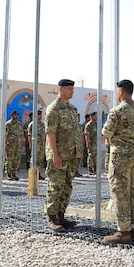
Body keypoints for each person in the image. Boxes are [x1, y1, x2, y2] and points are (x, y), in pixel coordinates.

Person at [101, 79, 134, 245]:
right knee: (133, 191)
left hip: (120, 157)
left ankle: (123, 231)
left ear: (120, 92)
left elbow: (106, 132)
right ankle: (133, 229)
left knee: (120, 192)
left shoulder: (116, 111)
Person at [44, 79, 81, 233]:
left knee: (67, 186)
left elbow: (75, 133)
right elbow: (50, 133)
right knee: (55, 186)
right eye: (69, 89)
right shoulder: (53, 109)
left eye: (72, 89)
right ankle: (52, 218)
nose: (72, 91)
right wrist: (55, 154)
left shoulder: (72, 109)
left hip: (71, 156)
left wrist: (78, 153)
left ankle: (61, 216)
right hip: (59, 155)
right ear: (61, 89)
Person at [27, 109, 45, 179]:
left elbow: (45, 135)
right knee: (34, 160)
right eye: (39, 115)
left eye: (40, 115)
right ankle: (33, 174)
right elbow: (29, 135)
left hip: (41, 144)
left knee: (40, 160)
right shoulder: (32, 124)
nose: (40, 116)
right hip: (35, 145)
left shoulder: (42, 124)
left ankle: (38, 174)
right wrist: (30, 145)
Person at [5, 109, 23, 180]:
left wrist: (21, 144)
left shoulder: (19, 124)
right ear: (12, 115)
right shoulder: (8, 124)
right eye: (15, 115)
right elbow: (5, 135)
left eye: (17, 115)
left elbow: (21, 135)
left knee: (16, 159)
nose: (16, 116)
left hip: (17, 145)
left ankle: (14, 173)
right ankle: (8, 174)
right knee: (9, 159)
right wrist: (6, 143)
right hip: (11, 145)